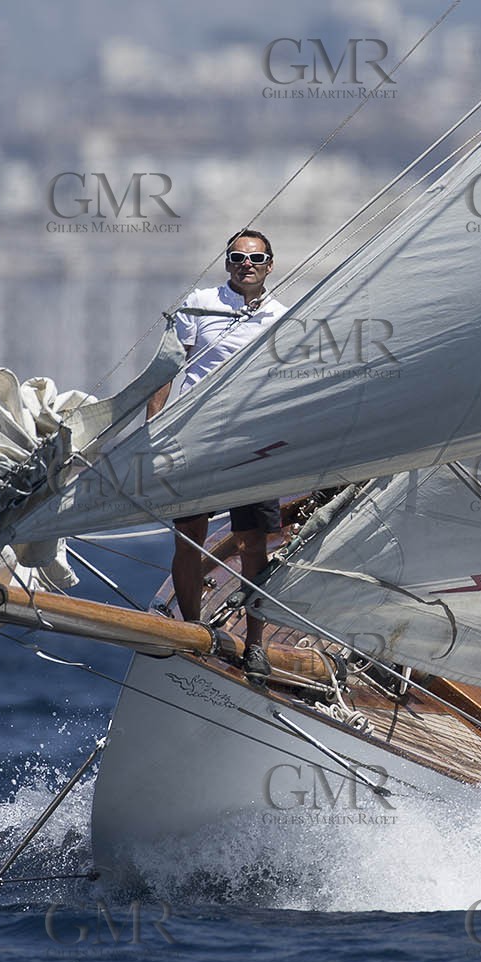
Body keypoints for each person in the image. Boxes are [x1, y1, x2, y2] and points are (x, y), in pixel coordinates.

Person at [147, 229, 289, 684]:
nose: (247, 264)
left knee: (253, 547)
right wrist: (154, 430)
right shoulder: (200, 304)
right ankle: (193, 628)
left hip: (253, 444)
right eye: (238, 257)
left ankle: (256, 646)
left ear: (269, 265)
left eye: (256, 258)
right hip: (197, 439)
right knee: (189, 536)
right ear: (228, 263)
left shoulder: (282, 317)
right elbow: (167, 369)